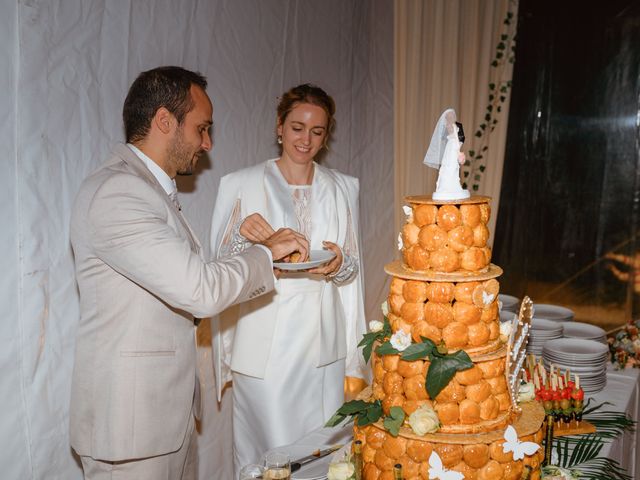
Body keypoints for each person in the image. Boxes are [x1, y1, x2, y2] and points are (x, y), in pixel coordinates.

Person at [69, 66, 308, 480]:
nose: (208, 143)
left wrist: (260, 260)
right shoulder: (120, 193)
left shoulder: (148, 191)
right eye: (202, 128)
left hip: (161, 423)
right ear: (165, 121)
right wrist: (264, 254)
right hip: (131, 433)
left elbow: (188, 278)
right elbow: (200, 290)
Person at [209, 83, 367, 471]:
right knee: (268, 452)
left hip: (322, 350)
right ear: (279, 127)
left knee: (321, 451)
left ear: (326, 135)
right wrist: (251, 241)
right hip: (265, 345)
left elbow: (351, 268)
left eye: (317, 131)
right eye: (297, 127)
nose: (306, 139)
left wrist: (338, 262)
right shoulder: (239, 184)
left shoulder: (344, 188)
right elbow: (220, 266)